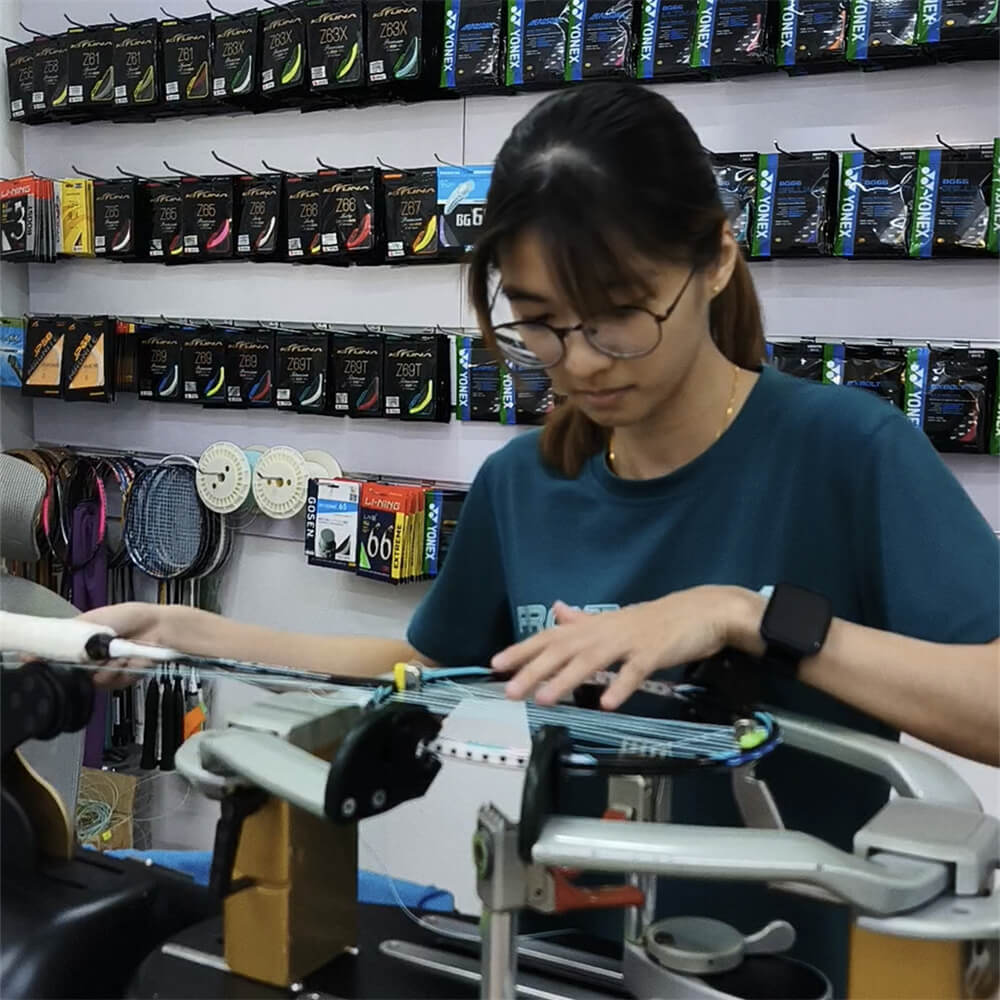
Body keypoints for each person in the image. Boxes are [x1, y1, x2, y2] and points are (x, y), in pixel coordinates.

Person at [84, 83, 999, 994]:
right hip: (558, 962)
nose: (583, 359)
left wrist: (742, 616)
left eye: (618, 312)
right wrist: (197, 638)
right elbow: (423, 666)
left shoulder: (847, 452)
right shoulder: (523, 485)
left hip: (798, 972)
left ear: (716, 259)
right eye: (539, 320)